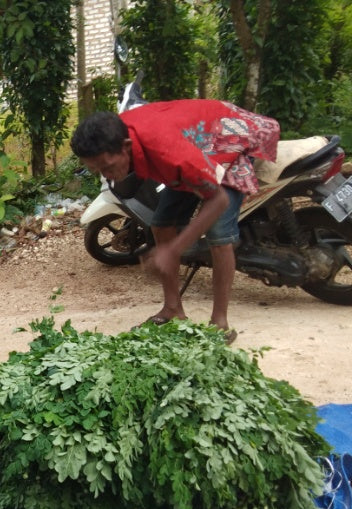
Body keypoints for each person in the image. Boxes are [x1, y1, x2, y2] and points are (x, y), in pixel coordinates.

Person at [70, 100, 280, 343]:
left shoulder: (167, 152)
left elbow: (218, 200)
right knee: (161, 224)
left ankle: (220, 324)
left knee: (219, 235)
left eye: (107, 166)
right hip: (188, 143)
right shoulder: (117, 135)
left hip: (223, 140)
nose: (106, 175)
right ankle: (173, 310)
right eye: (97, 170)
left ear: (126, 147)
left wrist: (173, 250)